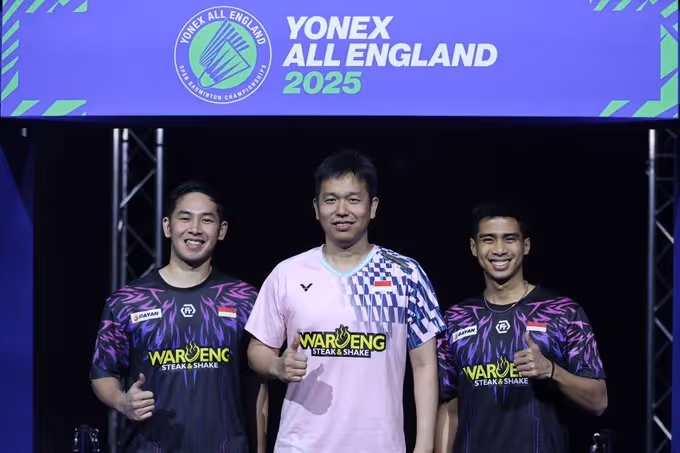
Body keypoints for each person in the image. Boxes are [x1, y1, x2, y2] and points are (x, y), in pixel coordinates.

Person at [245, 150, 446, 453]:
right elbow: (256, 350)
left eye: (353, 200)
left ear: (372, 207)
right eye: (331, 200)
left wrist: (424, 446)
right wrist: (276, 365)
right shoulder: (287, 273)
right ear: (316, 208)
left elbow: (425, 365)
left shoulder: (405, 274)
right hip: (300, 446)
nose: (341, 210)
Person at [90, 181, 267, 453]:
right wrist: (122, 401)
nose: (195, 229)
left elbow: (256, 383)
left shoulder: (245, 299)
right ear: (167, 226)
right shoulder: (127, 301)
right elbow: (103, 372)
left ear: (221, 230)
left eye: (206, 220)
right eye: (185, 218)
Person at [435, 203, 608, 453]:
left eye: (510, 239)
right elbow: (450, 407)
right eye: (488, 239)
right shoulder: (455, 319)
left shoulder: (564, 312)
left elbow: (599, 401)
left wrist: (551, 371)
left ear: (525, 245)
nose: (499, 249)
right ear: (474, 247)